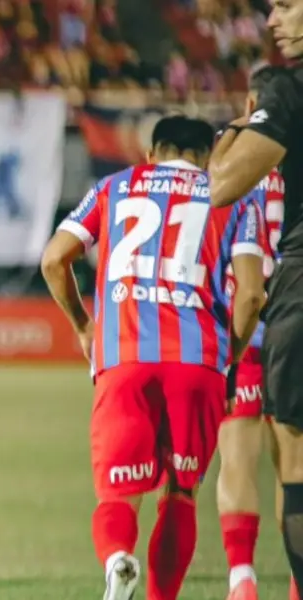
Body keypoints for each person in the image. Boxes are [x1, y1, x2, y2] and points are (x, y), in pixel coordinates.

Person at [41, 116, 267, 600]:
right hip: (198, 361)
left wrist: (84, 327)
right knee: (180, 493)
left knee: (117, 492)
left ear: (151, 153)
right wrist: (231, 355)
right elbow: (251, 295)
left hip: (123, 356)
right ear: (208, 158)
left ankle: (119, 557)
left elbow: (53, 259)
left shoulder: (113, 187)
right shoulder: (233, 196)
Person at [209, 14, 303, 588]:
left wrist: (231, 132)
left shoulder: (277, 113)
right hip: (277, 305)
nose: (273, 17)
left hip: (268, 310)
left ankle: (243, 574)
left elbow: (222, 190)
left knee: (258, 457)